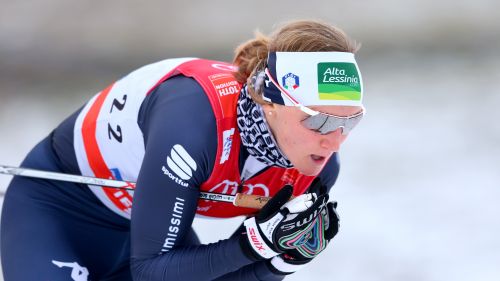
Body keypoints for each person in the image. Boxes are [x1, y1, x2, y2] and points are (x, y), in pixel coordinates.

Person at [0, 19, 364, 281]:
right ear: (271, 103)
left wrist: (280, 262)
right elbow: (149, 270)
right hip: (57, 209)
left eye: (348, 123)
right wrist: (253, 246)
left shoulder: (316, 167)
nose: (333, 141)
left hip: (143, 228)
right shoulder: (194, 123)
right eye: (318, 121)